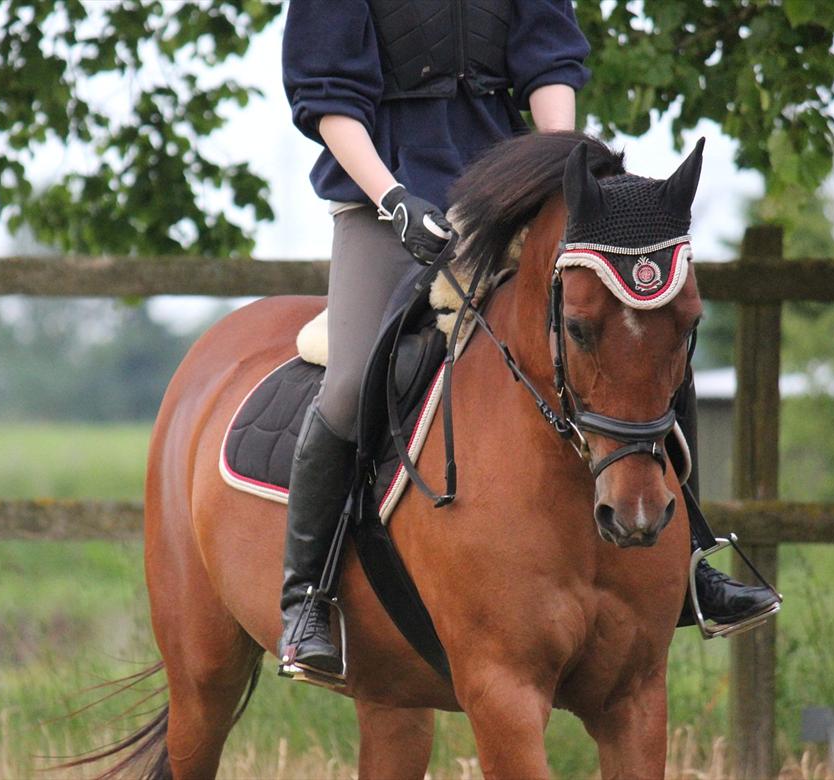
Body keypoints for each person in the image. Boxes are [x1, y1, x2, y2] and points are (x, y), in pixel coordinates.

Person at [278, 0, 776, 683]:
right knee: (352, 378)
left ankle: (692, 560)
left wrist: (559, 167)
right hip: (384, 198)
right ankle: (307, 596)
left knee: (640, 331)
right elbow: (329, 95)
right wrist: (393, 198)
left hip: (510, 191)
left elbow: (547, 59)